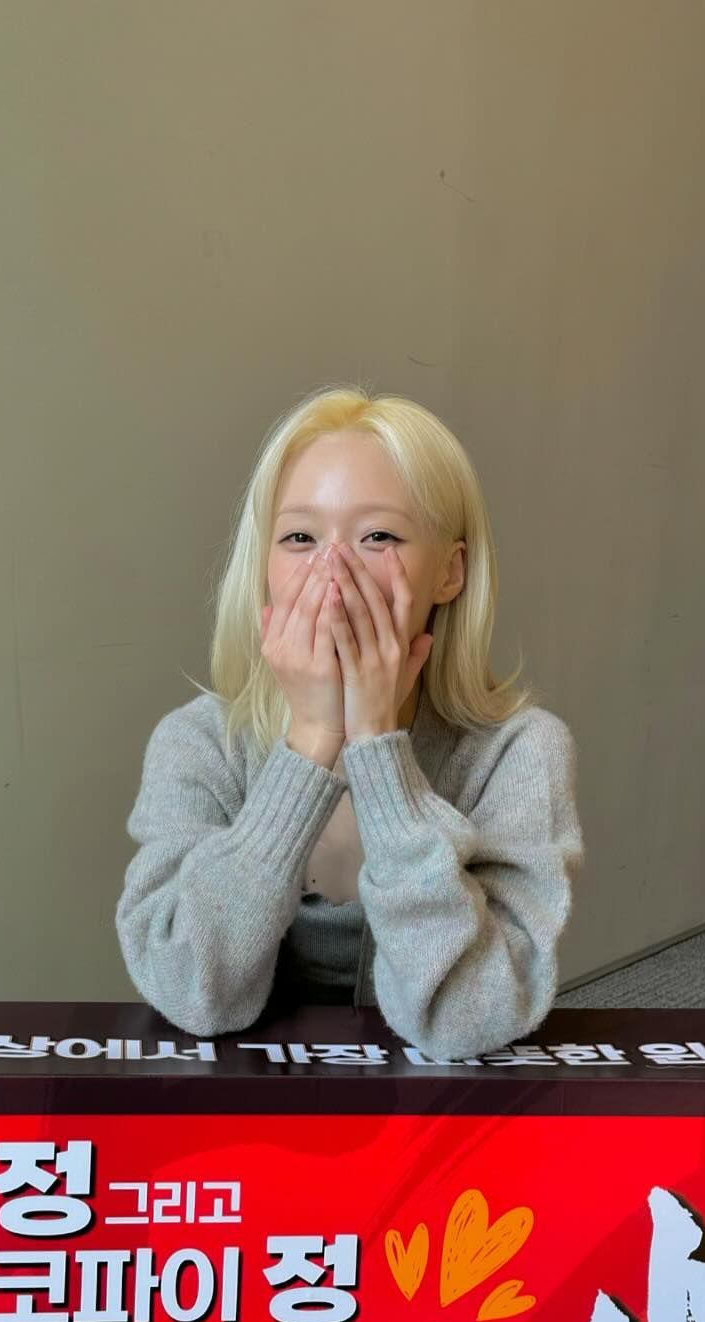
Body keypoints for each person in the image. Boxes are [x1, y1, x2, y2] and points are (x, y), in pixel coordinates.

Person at [114, 383, 584, 1062]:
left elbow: (468, 1020)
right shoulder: (197, 743)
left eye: (378, 537)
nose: (332, 572)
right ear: (265, 568)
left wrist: (379, 750)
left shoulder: (522, 752)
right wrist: (308, 745)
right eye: (299, 537)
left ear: (450, 573)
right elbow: (193, 994)